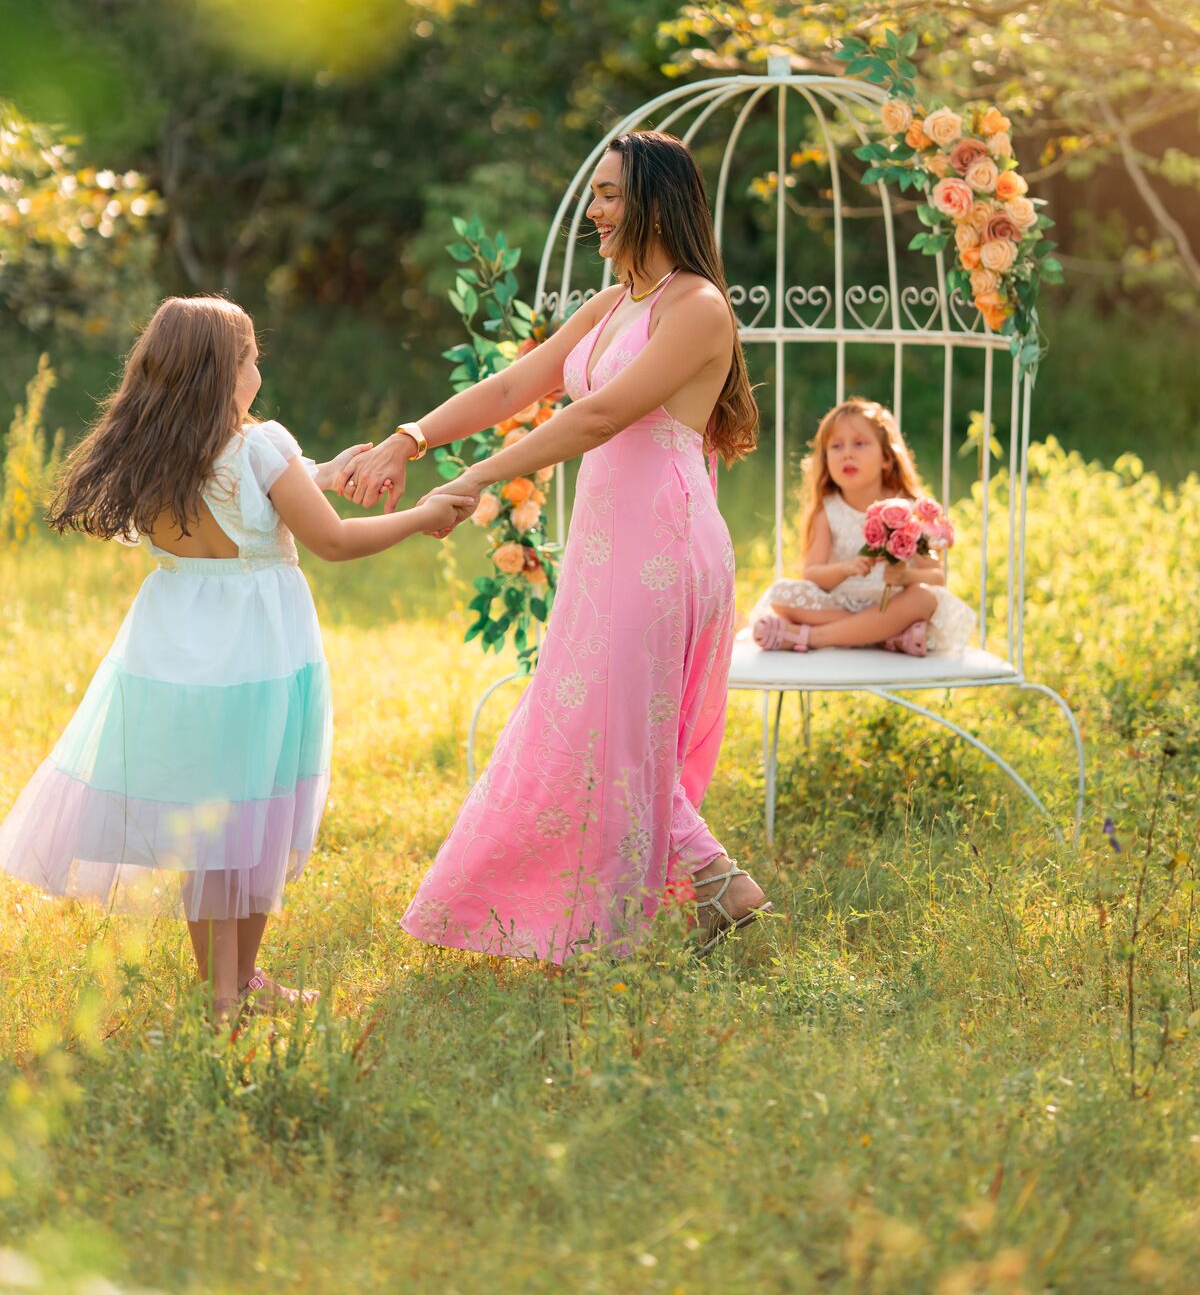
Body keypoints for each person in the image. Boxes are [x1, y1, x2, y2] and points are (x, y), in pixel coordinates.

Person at [341, 130, 767, 960]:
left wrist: (478, 479)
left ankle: (640, 917)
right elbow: (515, 385)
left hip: (667, 545)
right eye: (596, 195)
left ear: (656, 199)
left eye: (611, 195)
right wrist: (410, 438)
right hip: (609, 546)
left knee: (614, 726)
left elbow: (597, 417)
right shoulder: (615, 304)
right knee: (584, 719)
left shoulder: (697, 307)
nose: (596, 211)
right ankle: (710, 892)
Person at [0, 295, 473, 1028]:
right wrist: (422, 517)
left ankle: (234, 981)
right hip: (258, 651)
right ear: (227, 372)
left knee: (214, 817)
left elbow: (247, 496)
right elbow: (334, 543)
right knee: (257, 812)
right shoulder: (259, 446)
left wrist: (319, 472)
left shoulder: (155, 450)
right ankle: (230, 995)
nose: (259, 367)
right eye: (252, 357)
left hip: (175, 651)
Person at [749, 396, 975, 656]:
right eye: (836, 446)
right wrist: (845, 569)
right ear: (825, 458)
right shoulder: (828, 511)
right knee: (782, 595)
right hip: (841, 603)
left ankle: (812, 637)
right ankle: (884, 636)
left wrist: (906, 577)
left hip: (894, 604)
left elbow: (937, 577)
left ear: (886, 458)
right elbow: (812, 573)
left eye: (859, 444)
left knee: (925, 598)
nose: (847, 453)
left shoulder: (909, 509)